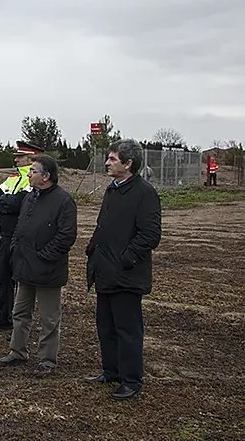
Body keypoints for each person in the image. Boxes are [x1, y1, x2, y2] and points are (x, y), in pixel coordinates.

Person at [85, 139, 161, 400]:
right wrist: (93, 248)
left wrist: (124, 260)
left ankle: (131, 380)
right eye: (108, 158)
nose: (107, 162)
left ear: (129, 164)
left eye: (113, 159)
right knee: (105, 326)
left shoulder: (144, 193)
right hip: (104, 272)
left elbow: (150, 235)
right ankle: (112, 371)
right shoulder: (112, 189)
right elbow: (104, 225)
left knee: (128, 330)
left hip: (126, 275)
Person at [0, 154, 77, 377]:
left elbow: (66, 236)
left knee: (49, 319)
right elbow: (20, 227)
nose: (29, 174)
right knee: (20, 312)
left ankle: (47, 360)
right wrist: (15, 248)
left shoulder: (63, 201)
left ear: (46, 176)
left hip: (48, 270)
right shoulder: (30, 197)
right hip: (24, 267)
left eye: (33, 171)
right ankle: (17, 350)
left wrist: (44, 256)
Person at [0, 141, 45, 331]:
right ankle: (4, 315)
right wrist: (8, 205)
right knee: (4, 276)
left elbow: (20, 204)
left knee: (24, 281)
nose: (15, 159)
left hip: (23, 238)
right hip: (6, 236)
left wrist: (8, 205)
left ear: (31, 158)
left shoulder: (33, 178)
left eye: (20, 156)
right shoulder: (13, 177)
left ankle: (21, 320)